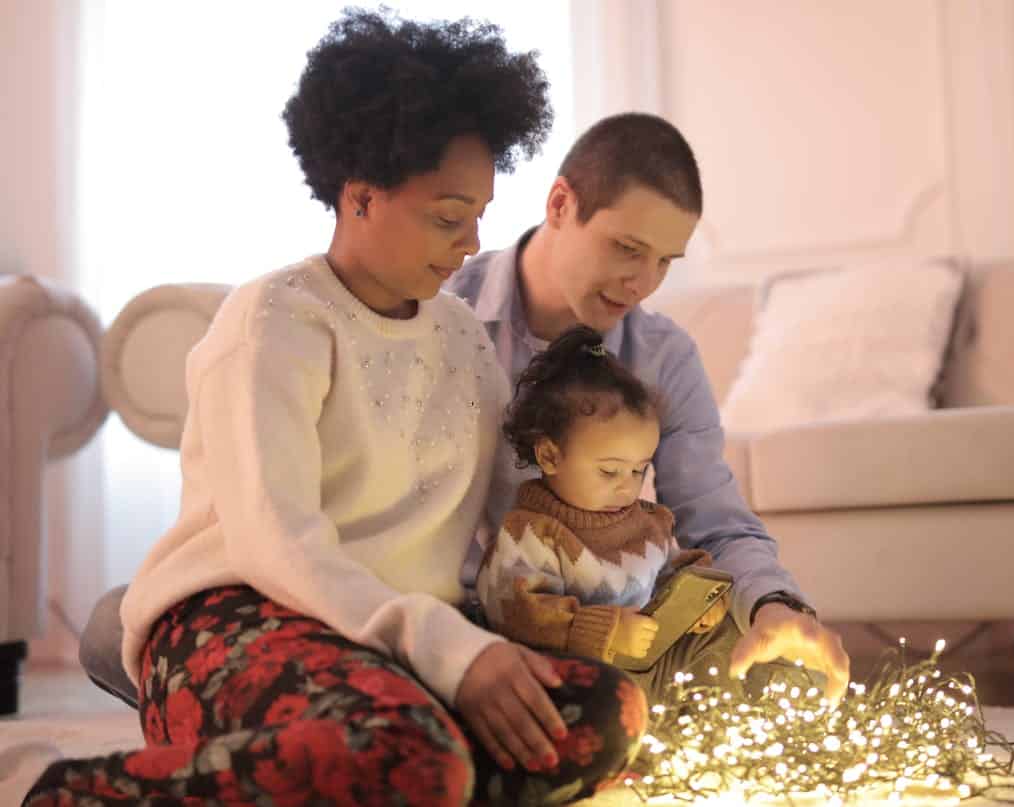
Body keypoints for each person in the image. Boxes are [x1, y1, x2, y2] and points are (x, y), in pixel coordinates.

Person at [27, 10, 643, 806]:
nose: (471, 241)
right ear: (360, 197)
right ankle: (66, 789)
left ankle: (392, 774)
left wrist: (614, 550)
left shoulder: (459, 334)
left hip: (387, 639)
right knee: (411, 756)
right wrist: (448, 646)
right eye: (448, 217)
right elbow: (274, 541)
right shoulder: (274, 321)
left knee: (605, 710)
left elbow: (516, 500)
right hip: (242, 611)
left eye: (481, 215)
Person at [80, 116, 851, 716]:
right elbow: (309, 514)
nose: (642, 280)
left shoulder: (661, 358)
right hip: (391, 599)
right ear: (559, 204)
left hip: (533, 611)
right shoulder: (430, 303)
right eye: (626, 247)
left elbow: (713, 516)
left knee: (623, 709)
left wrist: (777, 605)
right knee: (129, 619)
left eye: (665, 262)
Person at [475, 325, 730, 696]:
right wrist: (603, 630)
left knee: (733, 645)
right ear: (549, 455)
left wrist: (700, 600)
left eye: (640, 469)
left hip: (651, 672)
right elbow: (520, 615)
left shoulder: (648, 524)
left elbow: (673, 570)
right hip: (574, 684)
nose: (627, 485)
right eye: (609, 471)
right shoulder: (531, 534)